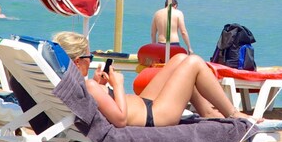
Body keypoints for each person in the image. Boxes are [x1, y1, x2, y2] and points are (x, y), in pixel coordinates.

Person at [53, 31, 254, 127]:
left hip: (145, 105)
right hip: (154, 116)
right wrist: (118, 85)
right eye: (89, 58)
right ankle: (233, 113)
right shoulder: (87, 85)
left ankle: (207, 111)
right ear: (78, 62)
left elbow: (98, 107)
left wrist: (101, 86)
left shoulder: (71, 85)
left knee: (179, 60)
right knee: (193, 62)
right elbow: (121, 120)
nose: (91, 61)